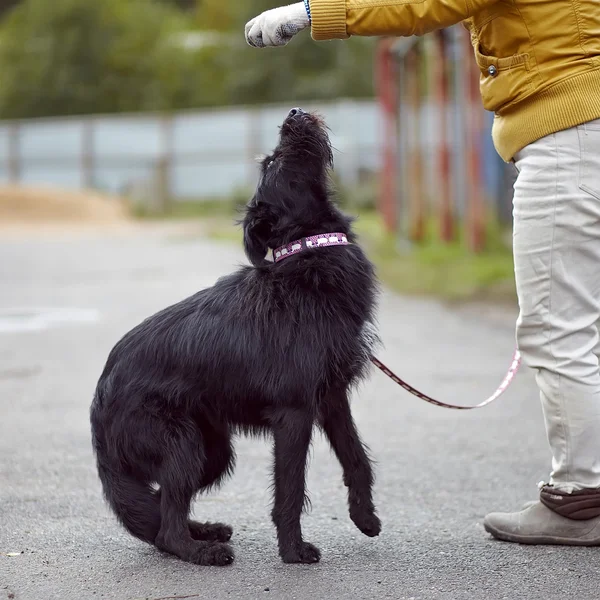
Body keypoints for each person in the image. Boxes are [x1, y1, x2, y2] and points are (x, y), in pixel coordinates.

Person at [245, 0, 600, 545]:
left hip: (571, 131)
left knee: (560, 328)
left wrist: (315, 12)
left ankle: (581, 502)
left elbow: (426, 3)